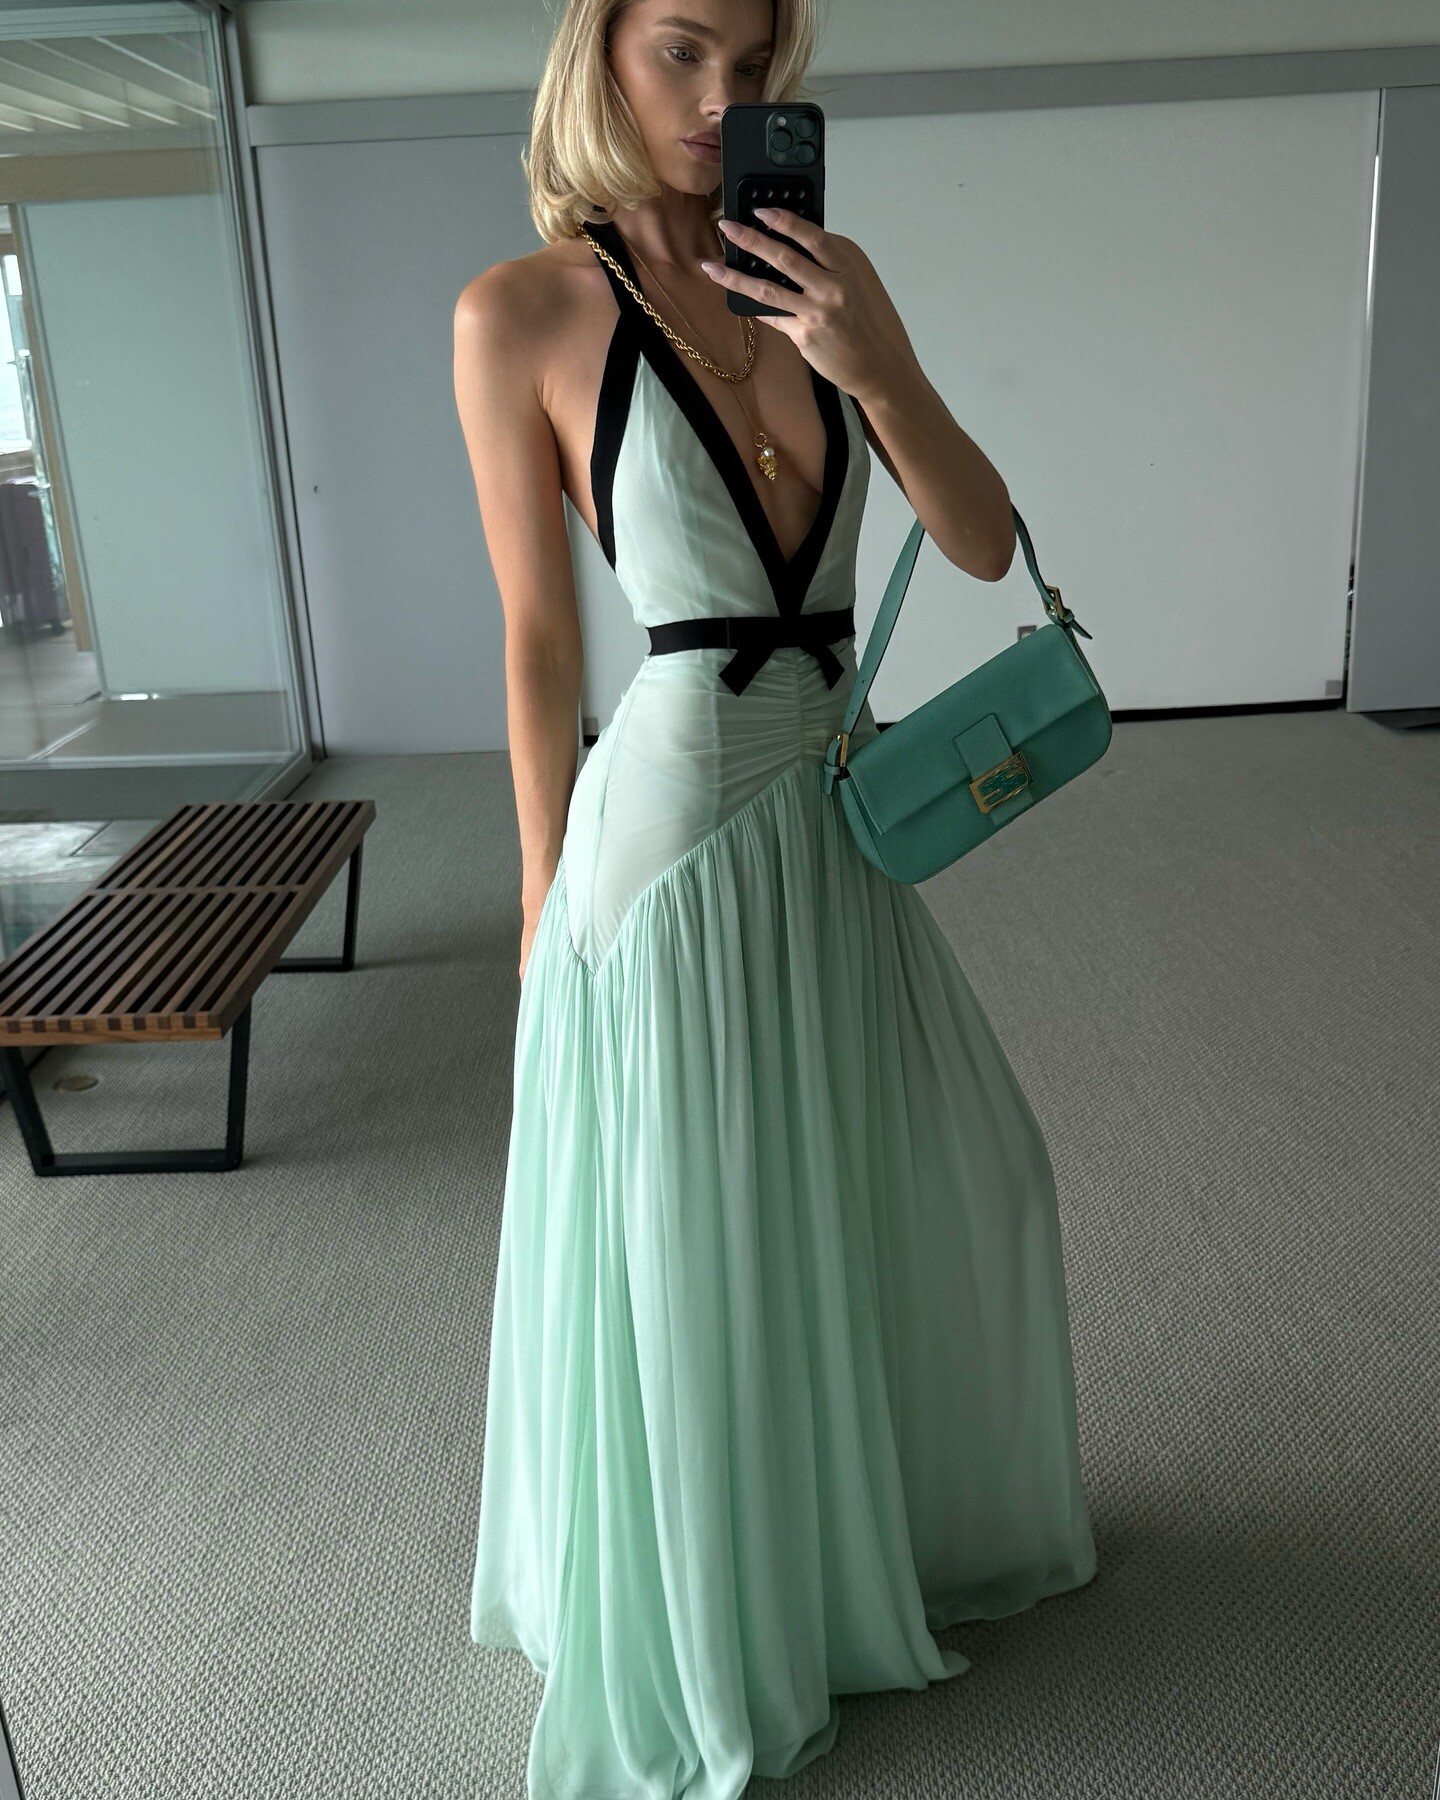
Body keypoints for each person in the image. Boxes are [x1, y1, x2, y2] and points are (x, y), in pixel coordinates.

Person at [452, 1, 1098, 1793]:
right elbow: (534, 640)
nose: (720, 98)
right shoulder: (520, 314)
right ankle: (719, 1626)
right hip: (664, 840)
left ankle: (837, 1551)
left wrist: (872, 359)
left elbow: (980, 542)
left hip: (835, 820)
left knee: (930, 1179)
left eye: (752, 65)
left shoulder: (825, 278)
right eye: (682, 51)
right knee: (704, 1243)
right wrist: (536, 889)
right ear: (599, 52)